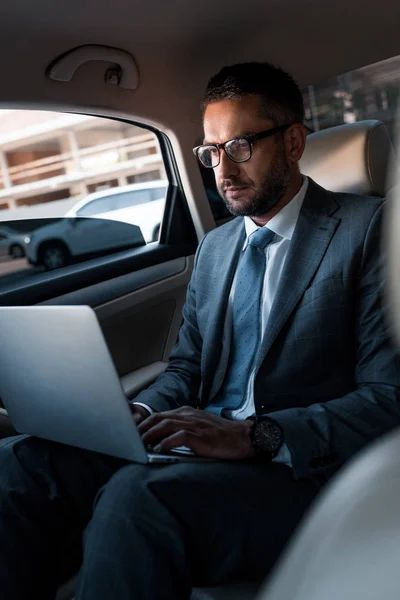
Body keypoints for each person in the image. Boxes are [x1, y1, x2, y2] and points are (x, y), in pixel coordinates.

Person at [0, 62, 399, 600]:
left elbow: (387, 398)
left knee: (137, 500)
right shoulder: (216, 247)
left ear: (294, 142)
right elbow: (186, 367)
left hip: (295, 469)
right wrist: (137, 417)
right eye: (210, 152)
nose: (222, 170)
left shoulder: (372, 228)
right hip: (197, 443)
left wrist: (254, 435)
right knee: (20, 461)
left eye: (239, 145)